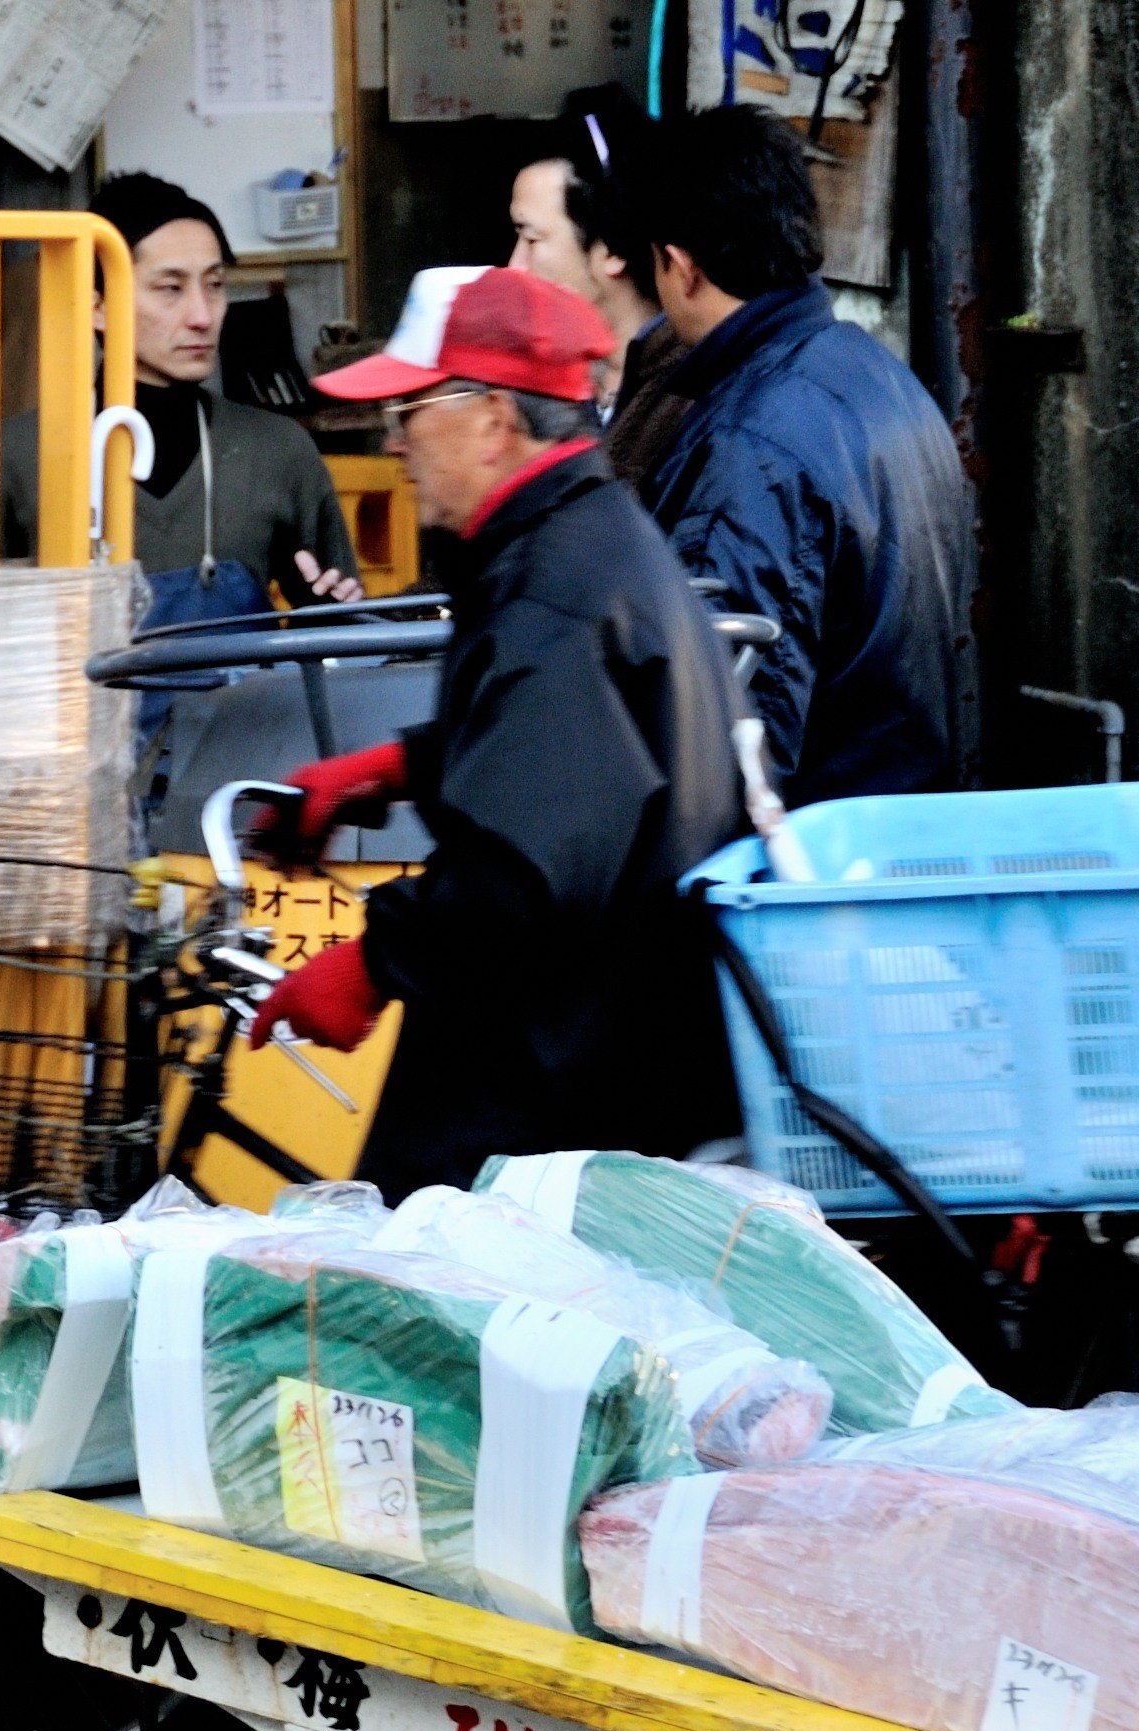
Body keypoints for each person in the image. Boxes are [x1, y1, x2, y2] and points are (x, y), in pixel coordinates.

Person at [243, 266, 745, 1197]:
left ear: (490, 419)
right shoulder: (583, 538)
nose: (392, 442)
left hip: (561, 1078)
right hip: (585, 1047)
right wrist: (389, 770)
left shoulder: (556, 584)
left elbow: (522, 871)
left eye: (408, 409)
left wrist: (370, 965)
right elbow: (572, 762)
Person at [637, 105, 972, 804]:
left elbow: (736, 736)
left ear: (679, 266)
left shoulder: (751, 441)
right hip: (894, 830)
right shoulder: (878, 374)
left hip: (813, 867)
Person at [6, 172, 363, 628]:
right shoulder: (19, 456)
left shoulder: (276, 451)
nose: (202, 316)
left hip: (241, 703)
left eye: (214, 285)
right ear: (97, 304)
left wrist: (334, 614)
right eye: (170, 288)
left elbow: (341, 648)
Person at [508, 86, 694, 489]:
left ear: (612, 248)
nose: (515, 267)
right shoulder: (545, 381)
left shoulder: (692, 397)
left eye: (532, 239)